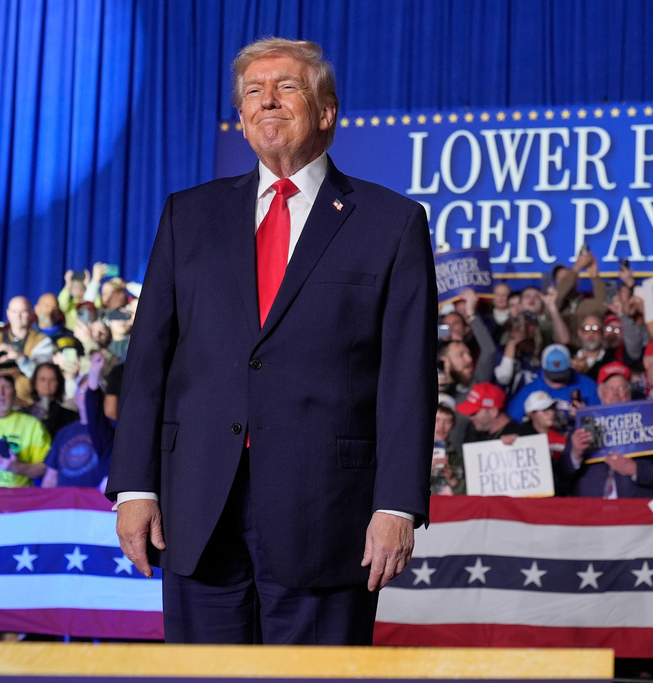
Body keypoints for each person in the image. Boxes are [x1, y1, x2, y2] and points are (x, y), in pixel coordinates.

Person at [107, 38, 437, 645]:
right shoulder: (188, 216)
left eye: (286, 87)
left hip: (329, 515)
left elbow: (407, 378)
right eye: (253, 92)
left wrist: (396, 506)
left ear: (327, 111)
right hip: (197, 507)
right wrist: (134, 486)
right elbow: (149, 360)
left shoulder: (392, 223)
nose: (267, 101)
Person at [556, 362, 653, 499]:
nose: (615, 394)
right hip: (592, 511)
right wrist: (575, 454)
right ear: (600, 392)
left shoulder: (649, 425)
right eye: (610, 388)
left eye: (622, 388)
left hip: (635, 510)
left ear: (629, 393)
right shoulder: (583, 426)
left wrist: (636, 470)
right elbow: (562, 475)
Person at [42, 353, 114, 490]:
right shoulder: (64, 432)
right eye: (83, 390)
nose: (87, 396)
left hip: (97, 506)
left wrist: (95, 371)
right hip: (66, 506)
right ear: (74, 397)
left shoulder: (112, 428)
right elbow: (51, 476)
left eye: (91, 391)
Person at [0, 296, 55, 380]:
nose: (18, 316)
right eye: (14, 311)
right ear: (8, 314)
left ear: (31, 315)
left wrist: (20, 358)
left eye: (23, 312)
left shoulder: (42, 341)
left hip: (28, 393)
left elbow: (43, 376)